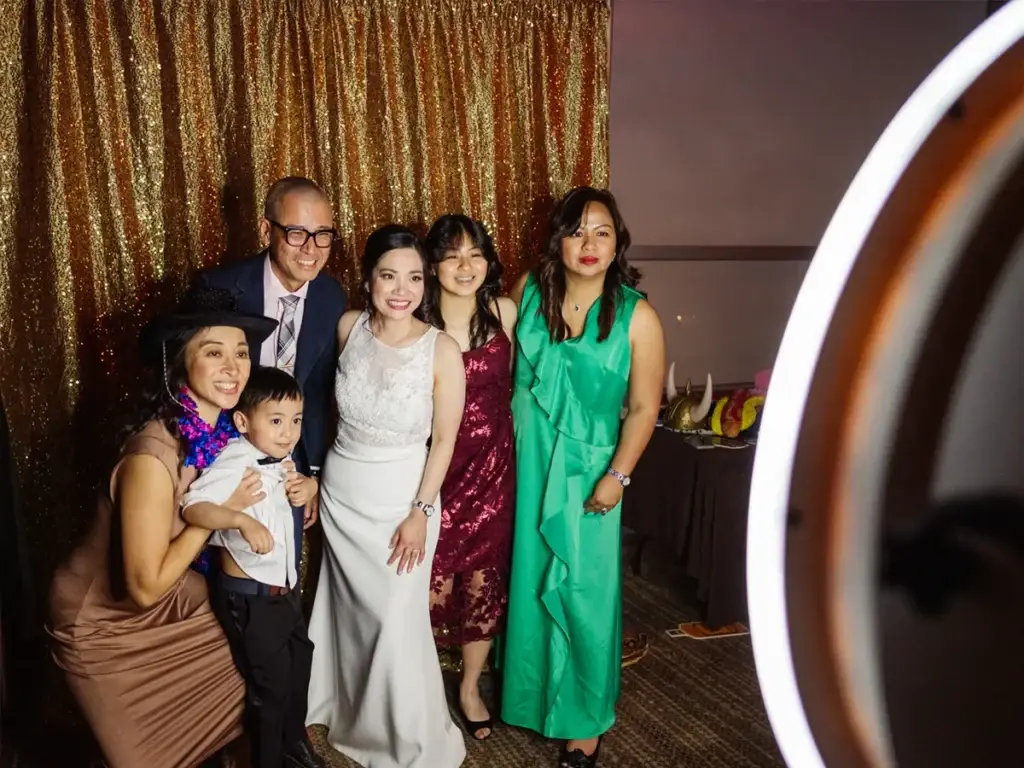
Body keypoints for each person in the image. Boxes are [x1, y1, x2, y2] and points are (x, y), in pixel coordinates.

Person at [46, 286, 278, 768]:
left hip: (177, 595)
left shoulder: (220, 434)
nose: (234, 368)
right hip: (103, 620)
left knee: (259, 676)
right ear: (180, 364)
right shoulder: (153, 456)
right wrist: (217, 507)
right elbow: (144, 588)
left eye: (240, 352)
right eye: (213, 353)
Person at [501, 187, 665, 767]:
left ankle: (585, 722)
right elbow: (473, 348)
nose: (589, 244)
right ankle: (532, 699)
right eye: (576, 232)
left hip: (592, 474)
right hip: (526, 464)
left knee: (586, 595)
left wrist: (618, 476)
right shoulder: (525, 293)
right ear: (558, 241)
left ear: (618, 240)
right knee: (527, 582)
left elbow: (646, 407)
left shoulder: (636, 315)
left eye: (601, 231)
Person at [306, 224, 467, 768]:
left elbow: (443, 439)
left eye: (415, 277)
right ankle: (344, 708)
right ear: (368, 279)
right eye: (389, 275)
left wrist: (421, 512)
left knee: (396, 619)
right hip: (343, 492)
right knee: (351, 612)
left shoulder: (440, 349)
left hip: (404, 500)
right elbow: (324, 409)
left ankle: (404, 737)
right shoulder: (349, 327)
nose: (402, 289)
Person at [181, 366, 326, 768]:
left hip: (284, 592)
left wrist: (309, 486)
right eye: (276, 421)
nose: (289, 432)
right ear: (243, 421)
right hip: (251, 599)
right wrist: (241, 519)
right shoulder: (234, 460)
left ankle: (293, 744)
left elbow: (291, 485)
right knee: (272, 687)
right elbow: (194, 507)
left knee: (300, 666)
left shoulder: (282, 455)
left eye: (295, 420)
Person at [199, 176, 348, 559]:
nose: (311, 249)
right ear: (267, 229)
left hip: (289, 465)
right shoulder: (221, 288)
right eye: (297, 233)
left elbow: (315, 391)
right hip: (220, 460)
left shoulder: (331, 298)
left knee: (280, 572)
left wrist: (312, 472)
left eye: (323, 235)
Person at [422, 214, 517, 741]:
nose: (465, 266)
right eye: (453, 254)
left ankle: (470, 685)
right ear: (433, 264)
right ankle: (423, 681)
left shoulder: (504, 311)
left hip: (493, 469)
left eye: (476, 253)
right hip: (434, 467)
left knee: (485, 577)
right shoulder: (411, 314)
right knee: (428, 581)